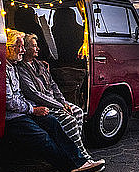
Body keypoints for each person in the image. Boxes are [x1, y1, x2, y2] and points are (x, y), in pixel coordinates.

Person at [3, 29, 104, 172]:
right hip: (14, 115)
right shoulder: (9, 68)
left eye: (24, 47)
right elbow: (11, 101)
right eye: (20, 46)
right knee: (43, 137)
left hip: (26, 109)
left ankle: (81, 160)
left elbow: (52, 85)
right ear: (8, 47)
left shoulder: (18, 65)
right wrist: (35, 109)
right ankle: (72, 170)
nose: (23, 51)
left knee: (54, 123)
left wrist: (61, 101)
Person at [18, 33, 95, 161]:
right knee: (70, 120)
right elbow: (35, 94)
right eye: (34, 46)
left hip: (54, 102)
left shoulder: (40, 65)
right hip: (42, 105)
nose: (38, 49)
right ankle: (81, 155)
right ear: (25, 49)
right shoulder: (21, 69)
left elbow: (53, 85)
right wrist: (60, 106)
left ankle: (70, 149)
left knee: (78, 112)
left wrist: (63, 102)